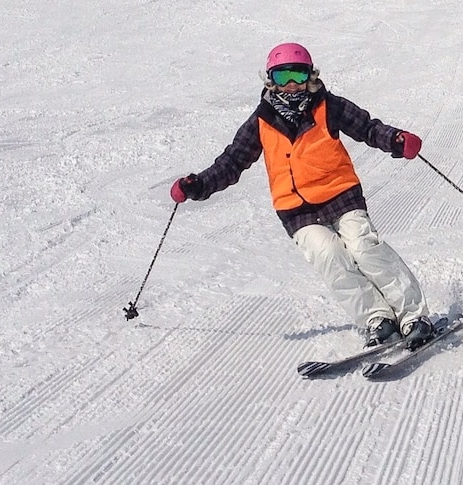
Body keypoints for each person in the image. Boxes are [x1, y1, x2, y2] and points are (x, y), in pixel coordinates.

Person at [170, 42, 433, 349]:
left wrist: (397, 140)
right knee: (329, 256)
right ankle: (378, 320)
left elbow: (368, 128)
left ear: (311, 76)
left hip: (340, 195)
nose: (292, 84)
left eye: (298, 74)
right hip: (296, 209)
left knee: (363, 247)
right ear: (270, 80)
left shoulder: (328, 106)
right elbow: (232, 162)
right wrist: (197, 185)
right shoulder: (261, 121)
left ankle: (413, 316)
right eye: (283, 77)